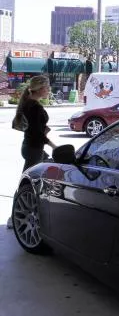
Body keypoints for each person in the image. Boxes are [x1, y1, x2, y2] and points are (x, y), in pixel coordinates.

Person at [7, 76, 56, 230]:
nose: (49, 90)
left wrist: (43, 131)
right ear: (40, 89)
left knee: (46, 166)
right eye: (47, 87)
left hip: (31, 147)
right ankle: (14, 217)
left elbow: (35, 129)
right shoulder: (34, 107)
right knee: (26, 184)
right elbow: (36, 133)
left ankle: (32, 209)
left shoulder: (30, 104)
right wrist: (54, 145)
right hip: (33, 149)